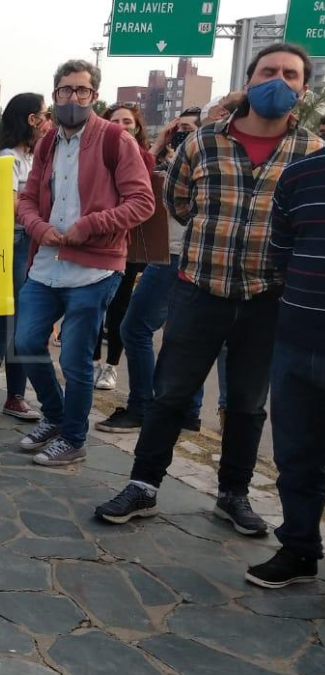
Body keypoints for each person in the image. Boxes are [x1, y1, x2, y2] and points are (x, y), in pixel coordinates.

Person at [96, 43, 325, 533]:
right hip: (200, 289)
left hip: (269, 299)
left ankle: (233, 494)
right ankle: (144, 484)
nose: (278, 81)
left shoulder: (312, 153)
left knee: (246, 403)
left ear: (303, 88)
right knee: (170, 394)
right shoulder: (203, 143)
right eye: (269, 71)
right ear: (249, 79)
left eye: (290, 75)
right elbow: (178, 202)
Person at [14, 59, 155, 467]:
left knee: (75, 359)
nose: (72, 98)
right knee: (25, 343)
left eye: (82, 91)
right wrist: (37, 227)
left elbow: (142, 202)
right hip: (47, 262)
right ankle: (56, 417)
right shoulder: (48, 142)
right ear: (54, 94)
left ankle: (74, 438)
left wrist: (90, 226)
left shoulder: (115, 139)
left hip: (95, 268)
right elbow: (27, 197)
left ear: (94, 95)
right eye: (65, 90)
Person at [97, 109, 214, 435]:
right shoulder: (176, 159)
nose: (182, 137)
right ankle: (187, 413)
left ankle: (142, 407)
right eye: (178, 131)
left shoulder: (201, 161)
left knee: (135, 328)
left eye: (190, 130)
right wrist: (163, 142)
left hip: (177, 256)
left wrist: (179, 158)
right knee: (184, 336)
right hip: (171, 256)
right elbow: (140, 176)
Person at [246, 143, 325, 588]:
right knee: (296, 456)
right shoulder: (301, 174)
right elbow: (281, 250)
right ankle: (299, 547)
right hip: (298, 338)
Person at [0, 93, 50, 424]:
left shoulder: (32, 158)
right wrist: (44, 217)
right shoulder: (8, 159)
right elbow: (11, 205)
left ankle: (15, 397)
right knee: (4, 325)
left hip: (30, 245)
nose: (49, 122)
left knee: (24, 326)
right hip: (12, 243)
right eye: (45, 115)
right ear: (31, 120)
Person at [91, 103, 155, 392]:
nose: (122, 125)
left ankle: (111, 367)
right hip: (96, 240)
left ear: (137, 127)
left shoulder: (143, 157)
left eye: (127, 121)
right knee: (91, 302)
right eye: (114, 120)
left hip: (128, 244)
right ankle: (90, 360)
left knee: (119, 306)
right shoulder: (94, 153)